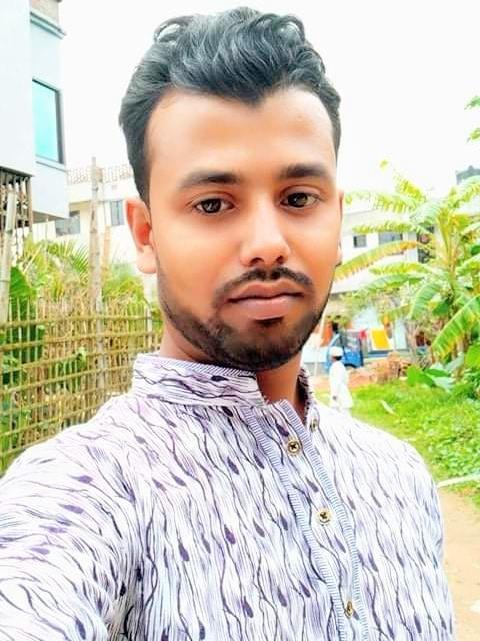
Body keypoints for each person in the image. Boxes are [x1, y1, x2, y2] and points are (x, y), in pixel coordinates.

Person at [0, 8, 453, 640]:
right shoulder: (90, 489)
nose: (267, 243)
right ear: (146, 233)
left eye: (299, 199)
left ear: (337, 215)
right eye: (213, 204)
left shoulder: (399, 478)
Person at [328, 346, 353, 412]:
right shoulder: (341, 366)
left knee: (341, 414)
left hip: (339, 396)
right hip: (341, 393)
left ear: (332, 357)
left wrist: (334, 394)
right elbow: (346, 380)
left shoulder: (335, 367)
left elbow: (337, 382)